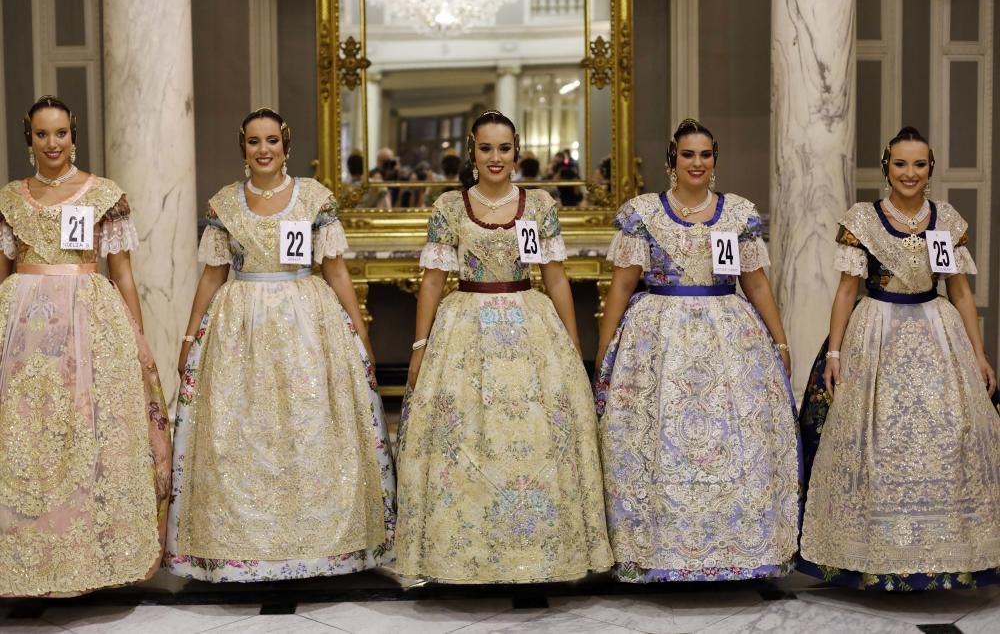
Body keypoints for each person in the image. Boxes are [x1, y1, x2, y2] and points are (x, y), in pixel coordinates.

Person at [165, 108, 395, 582]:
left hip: (308, 322)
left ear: (286, 145)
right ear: (243, 147)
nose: (263, 149)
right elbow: (211, 276)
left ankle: (323, 545)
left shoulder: (313, 198)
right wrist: (189, 337)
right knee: (244, 429)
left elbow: (334, 270)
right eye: (254, 141)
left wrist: (361, 333)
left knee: (309, 424)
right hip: (239, 327)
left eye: (271, 140)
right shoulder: (225, 204)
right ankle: (243, 550)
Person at [396, 109, 613, 583]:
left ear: (516, 152)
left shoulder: (538, 206)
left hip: (530, 323)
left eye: (505, 148)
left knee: (538, 435)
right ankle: (467, 549)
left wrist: (573, 349)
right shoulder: (450, 208)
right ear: (472, 152)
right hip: (464, 328)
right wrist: (419, 346)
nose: (496, 158)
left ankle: (538, 548)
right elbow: (432, 282)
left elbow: (555, 279)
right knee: (466, 435)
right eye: (486, 148)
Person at [594, 118, 799, 583]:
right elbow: (622, 286)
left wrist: (779, 338)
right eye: (688, 154)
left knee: (731, 439)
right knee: (659, 438)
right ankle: (658, 548)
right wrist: (607, 350)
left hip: (728, 335)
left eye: (705, 155)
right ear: (673, 159)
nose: (698, 163)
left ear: (715, 160)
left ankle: (736, 546)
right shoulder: (643, 214)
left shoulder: (738, 215)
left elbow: (757, 283)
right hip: (658, 340)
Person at [798, 127, 1000, 590]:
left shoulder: (945, 219)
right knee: (877, 438)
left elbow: (962, 291)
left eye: (920, 164)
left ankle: (948, 552)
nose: (910, 173)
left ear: (931, 169)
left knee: (950, 434)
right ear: (886, 165)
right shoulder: (863, 220)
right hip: (876, 333)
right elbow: (846, 292)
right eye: (901, 164)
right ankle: (871, 553)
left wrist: (979, 352)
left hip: (937, 332)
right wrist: (834, 351)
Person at [0, 96, 170, 597]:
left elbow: (124, 276)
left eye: (60, 133)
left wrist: (136, 338)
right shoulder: (10, 198)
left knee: (85, 431)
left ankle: (89, 556)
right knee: (25, 434)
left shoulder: (104, 195)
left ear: (74, 135)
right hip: (21, 332)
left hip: (88, 324)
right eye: (41, 135)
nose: (52, 144)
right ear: (28, 140)